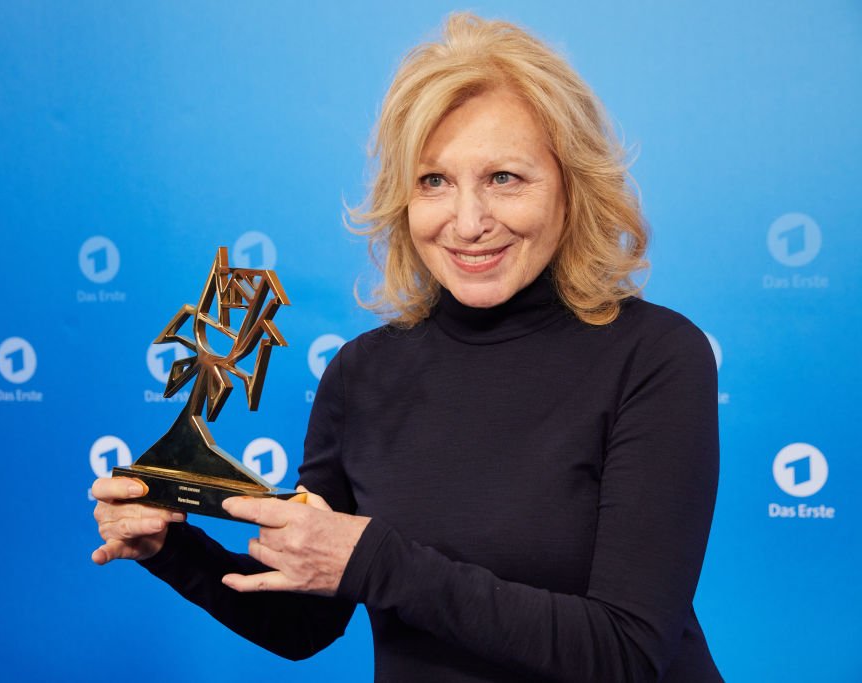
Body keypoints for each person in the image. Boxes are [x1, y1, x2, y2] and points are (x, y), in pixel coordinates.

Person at [92, 12, 722, 682]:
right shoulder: (362, 373)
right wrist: (170, 547)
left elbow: (626, 652)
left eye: (505, 177)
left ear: (571, 184)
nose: (469, 222)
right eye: (434, 181)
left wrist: (378, 561)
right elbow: (305, 621)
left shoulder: (654, 356)